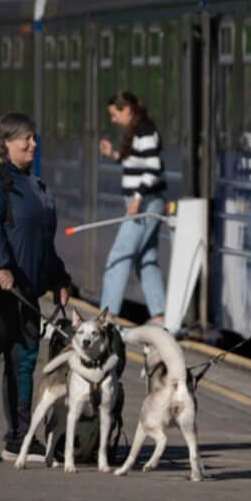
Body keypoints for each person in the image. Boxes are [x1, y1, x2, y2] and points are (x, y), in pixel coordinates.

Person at [0, 113, 74, 463]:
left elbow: (41, 241)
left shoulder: (34, 185)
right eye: (26, 138)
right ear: (5, 142)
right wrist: (0, 266)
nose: (33, 145)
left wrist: (59, 278)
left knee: (23, 362)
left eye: (34, 138)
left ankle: (19, 438)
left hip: (26, 291)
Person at [96, 91, 167, 329]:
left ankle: (107, 317)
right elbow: (139, 164)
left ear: (127, 110)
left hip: (144, 204)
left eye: (114, 114)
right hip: (144, 202)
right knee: (146, 258)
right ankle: (159, 316)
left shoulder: (145, 131)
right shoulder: (138, 130)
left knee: (120, 256)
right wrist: (114, 155)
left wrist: (137, 197)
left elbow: (154, 168)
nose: (113, 120)